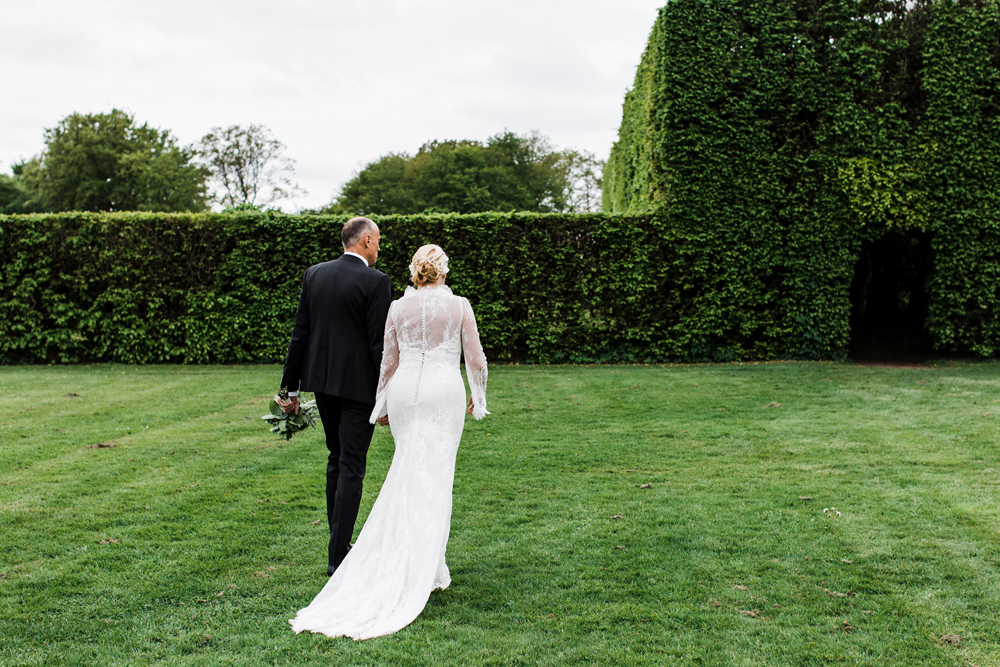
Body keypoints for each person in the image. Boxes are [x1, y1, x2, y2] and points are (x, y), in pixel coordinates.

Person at [289, 244, 489, 641]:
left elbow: (388, 362)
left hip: (403, 397)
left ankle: (427, 564)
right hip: (443, 393)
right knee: (434, 476)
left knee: (408, 470)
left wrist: (381, 402)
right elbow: (476, 359)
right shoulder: (461, 306)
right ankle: (427, 567)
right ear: (443, 272)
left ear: (416, 271)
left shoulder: (398, 308)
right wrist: (478, 396)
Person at [278, 217, 392, 577]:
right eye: (378, 241)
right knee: (352, 465)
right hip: (359, 389)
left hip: (322, 383)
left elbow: (300, 333)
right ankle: (338, 556)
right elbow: (379, 345)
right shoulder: (376, 281)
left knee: (336, 457)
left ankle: (338, 545)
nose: (379, 248)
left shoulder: (315, 274)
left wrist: (289, 388)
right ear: (367, 240)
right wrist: (386, 394)